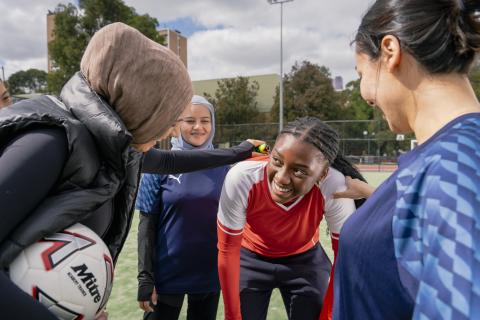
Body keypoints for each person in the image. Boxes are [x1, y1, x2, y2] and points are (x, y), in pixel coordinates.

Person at [0, 23, 262, 320]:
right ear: (141, 105)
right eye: (167, 116)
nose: (167, 129)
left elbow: (168, 162)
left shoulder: (110, 145)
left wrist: (238, 152)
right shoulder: (52, 141)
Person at [333, 1, 480, 319]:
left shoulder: (454, 169)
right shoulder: (450, 160)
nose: (364, 93)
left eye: (361, 73)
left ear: (389, 52)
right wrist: (375, 200)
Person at [217, 117, 365, 320]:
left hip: (304, 260)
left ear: (322, 174)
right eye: (277, 161)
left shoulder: (335, 187)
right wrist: (232, 315)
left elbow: (343, 258)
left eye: (299, 170)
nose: (281, 178)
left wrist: (327, 315)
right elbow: (227, 249)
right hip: (250, 257)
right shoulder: (242, 177)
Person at [136, 95, 229, 320]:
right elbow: (146, 225)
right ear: (177, 124)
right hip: (166, 277)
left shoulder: (226, 167)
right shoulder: (159, 164)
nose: (198, 127)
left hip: (208, 277)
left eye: (205, 120)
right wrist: (146, 277)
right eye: (190, 121)